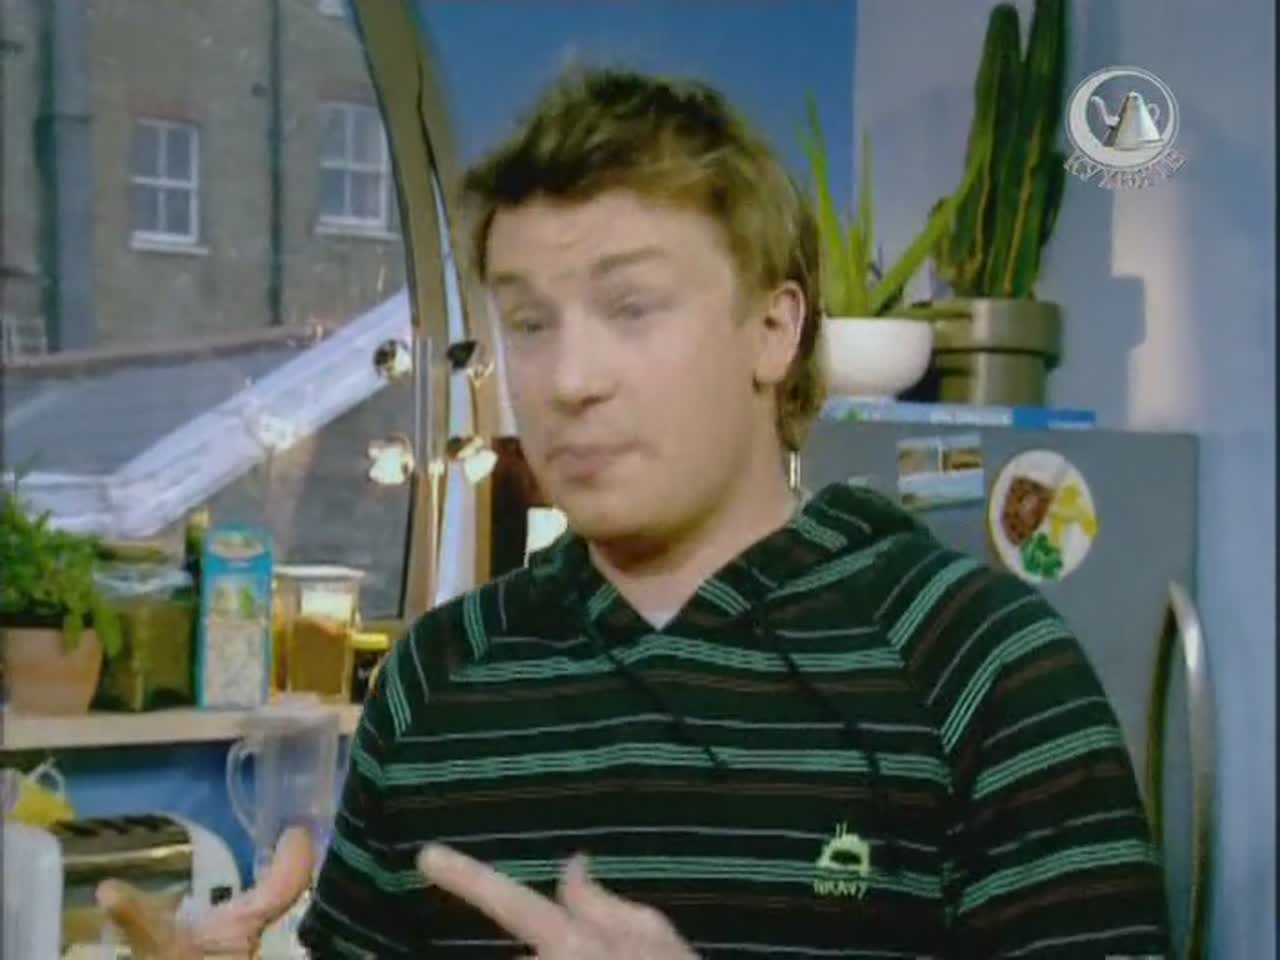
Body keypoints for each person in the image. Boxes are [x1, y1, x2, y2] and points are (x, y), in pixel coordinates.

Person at [99, 66, 1172, 958]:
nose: (569, 380)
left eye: (630, 308)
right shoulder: (438, 680)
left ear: (774, 329)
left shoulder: (983, 670)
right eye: (530, 323)